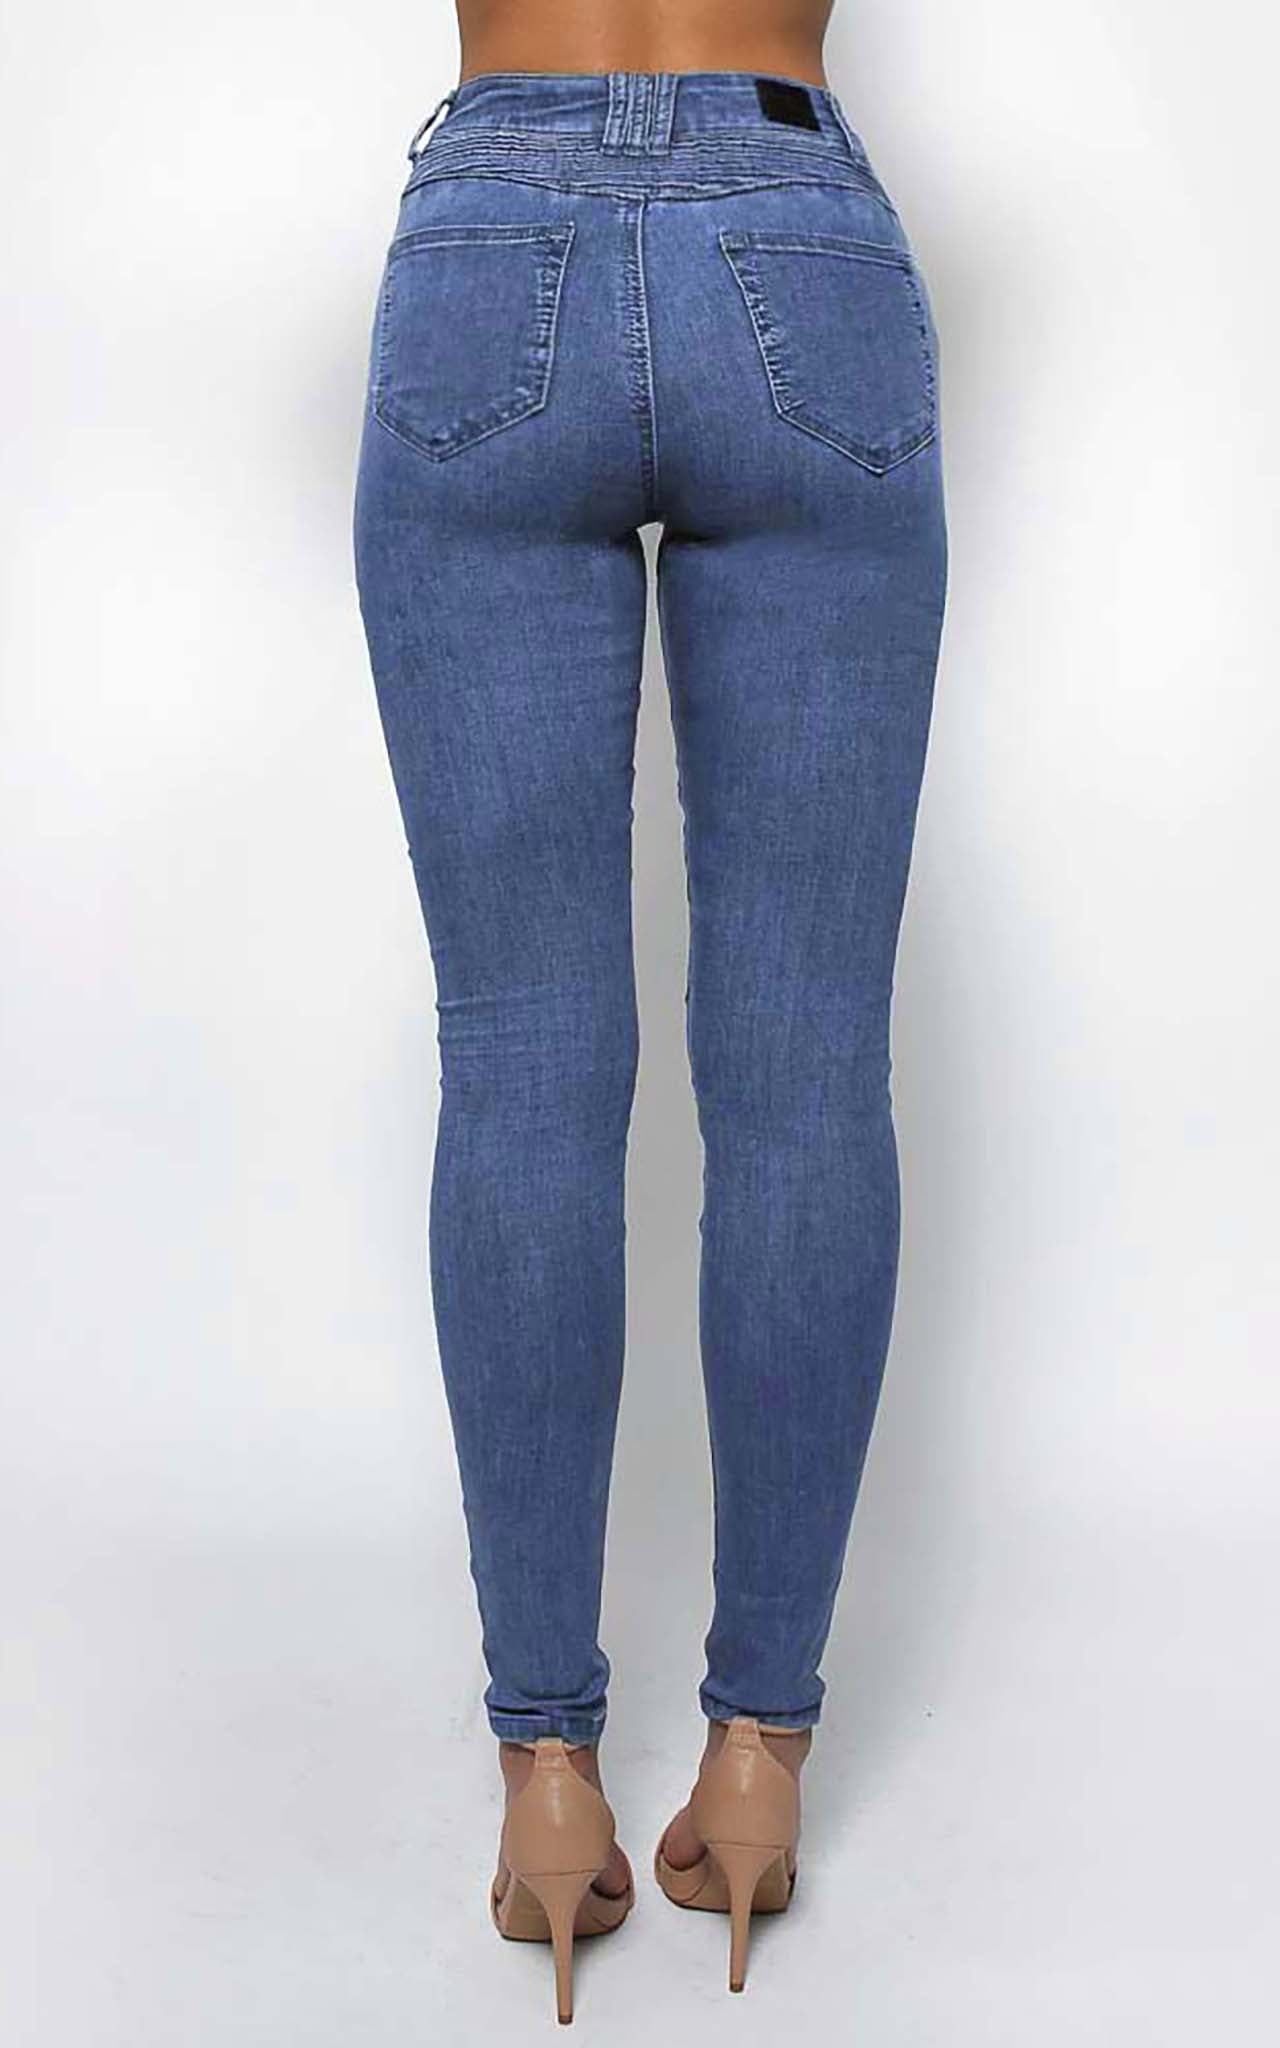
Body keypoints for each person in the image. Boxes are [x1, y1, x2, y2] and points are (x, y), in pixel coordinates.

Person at [353, 0, 946, 2021]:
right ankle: (758, 1757)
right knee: (807, 1077)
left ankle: (545, 1779)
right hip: (798, 243)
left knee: (519, 1071)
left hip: (490, 238)